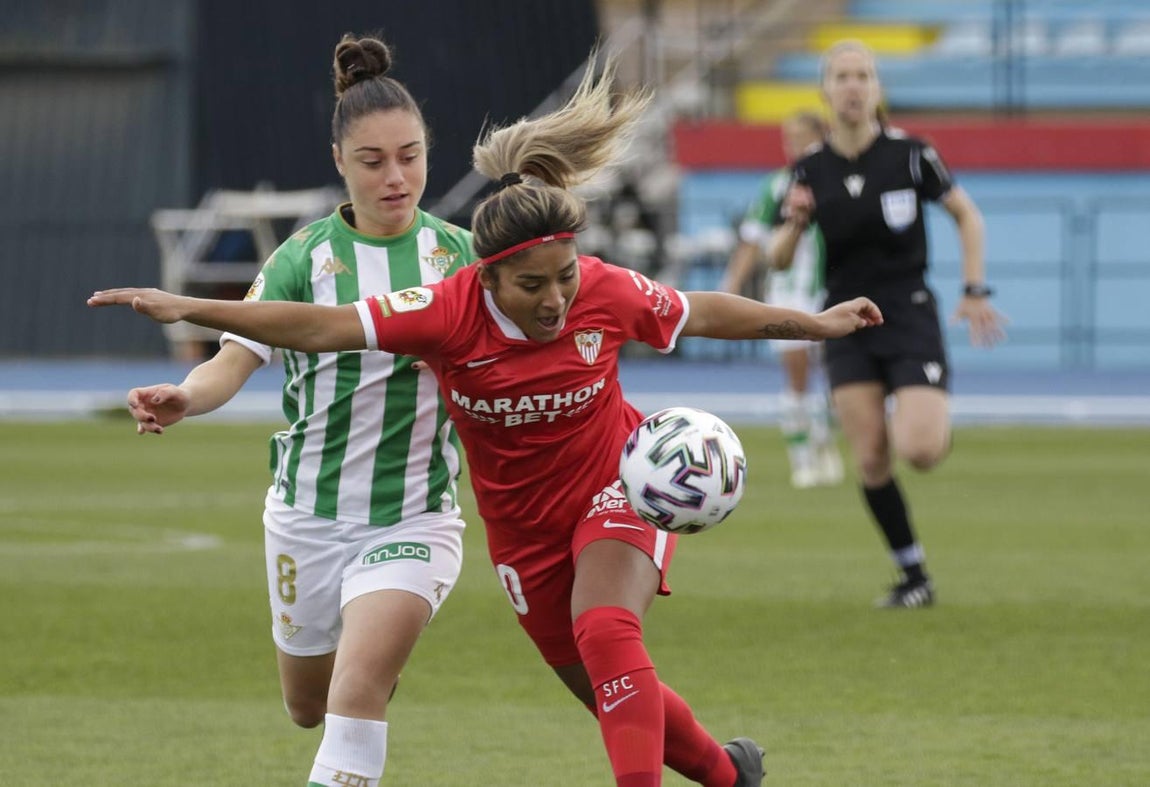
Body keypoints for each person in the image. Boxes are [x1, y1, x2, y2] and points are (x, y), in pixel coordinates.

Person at [91, 52, 883, 786]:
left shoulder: (553, 275)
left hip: (547, 495)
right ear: (491, 277)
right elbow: (316, 328)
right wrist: (188, 326)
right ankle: (727, 772)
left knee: (599, 635)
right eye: (373, 159)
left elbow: (702, 309)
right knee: (577, 687)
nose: (555, 299)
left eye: (410, 155)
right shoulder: (432, 303)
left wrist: (817, 323)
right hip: (460, 525)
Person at [120, 35, 475, 786]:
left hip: (415, 514)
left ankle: (370, 671)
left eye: (410, 156)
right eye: (374, 160)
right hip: (305, 516)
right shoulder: (300, 259)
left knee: (355, 691)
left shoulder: (464, 259)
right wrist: (186, 397)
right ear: (340, 161)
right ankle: (366, 672)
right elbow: (230, 362)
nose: (396, 176)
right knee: (308, 706)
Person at [778, 39, 1006, 609]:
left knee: (921, 451)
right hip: (844, 317)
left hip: (907, 310)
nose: (853, 87)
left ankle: (928, 412)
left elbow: (966, 215)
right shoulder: (808, 168)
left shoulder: (911, 154)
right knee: (872, 458)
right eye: (842, 77)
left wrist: (974, 289)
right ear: (826, 91)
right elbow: (780, 258)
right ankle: (913, 576)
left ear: (877, 89)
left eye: (863, 76)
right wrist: (794, 222)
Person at [720, 111, 843, 489]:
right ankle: (802, 459)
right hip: (788, 294)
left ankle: (823, 441)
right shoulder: (777, 186)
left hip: (831, 290)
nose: (795, 147)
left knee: (836, 378)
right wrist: (729, 288)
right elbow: (752, 241)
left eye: (802, 139)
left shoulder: (838, 183)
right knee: (798, 375)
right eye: (789, 140)